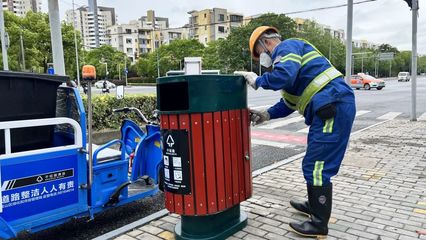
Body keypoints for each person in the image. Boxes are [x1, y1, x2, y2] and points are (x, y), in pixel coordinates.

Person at [235, 26, 356, 238]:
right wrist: (267, 115)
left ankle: (319, 224)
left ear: (266, 43)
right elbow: (288, 103)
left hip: (332, 105)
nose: (261, 58)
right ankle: (314, 205)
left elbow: (283, 74)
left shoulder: (287, 47)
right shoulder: (292, 71)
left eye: (259, 52)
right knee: (314, 162)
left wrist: (258, 81)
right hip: (329, 106)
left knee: (317, 166)